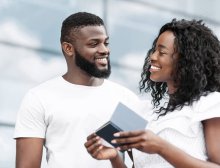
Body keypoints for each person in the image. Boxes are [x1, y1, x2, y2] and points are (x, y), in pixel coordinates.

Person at [85, 18, 220, 168]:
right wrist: (115, 157)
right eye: (154, 50)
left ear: (186, 61)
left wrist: (161, 147)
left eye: (161, 52)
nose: (153, 57)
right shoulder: (142, 111)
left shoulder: (210, 103)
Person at [13, 12, 141, 168]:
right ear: (68, 48)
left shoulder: (126, 99)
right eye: (94, 44)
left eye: (105, 43)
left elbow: (142, 163)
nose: (104, 50)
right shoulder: (39, 98)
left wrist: (115, 158)